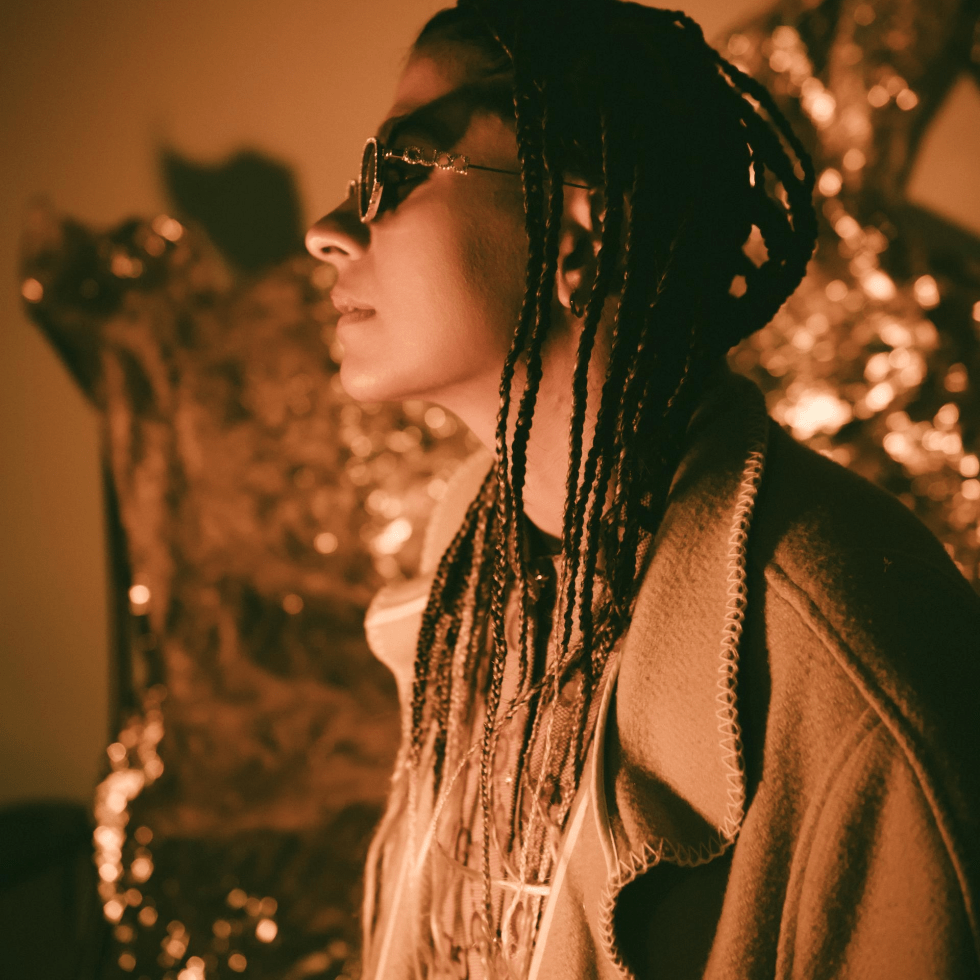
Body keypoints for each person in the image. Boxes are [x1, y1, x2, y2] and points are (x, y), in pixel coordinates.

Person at [304, 1, 980, 977]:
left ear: (579, 236)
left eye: (401, 167)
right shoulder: (474, 548)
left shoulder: (853, 659)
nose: (328, 230)